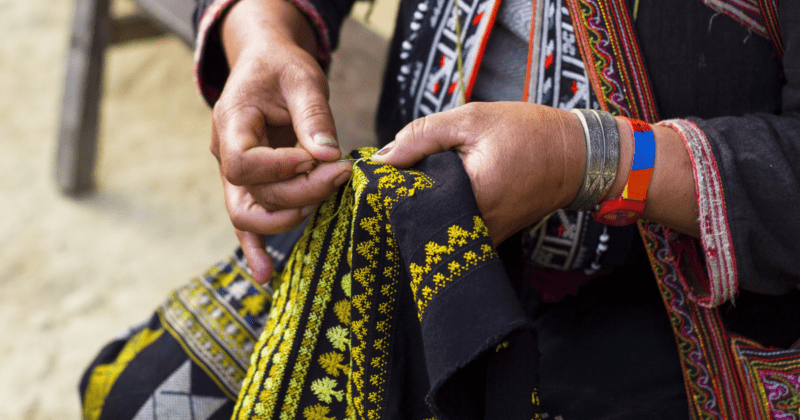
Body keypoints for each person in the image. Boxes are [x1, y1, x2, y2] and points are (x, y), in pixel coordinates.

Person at [80, 0, 800, 418]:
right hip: (413, 231)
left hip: (685, 315)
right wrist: (263, 37)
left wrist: (592, 159)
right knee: (143, 400)